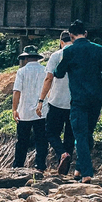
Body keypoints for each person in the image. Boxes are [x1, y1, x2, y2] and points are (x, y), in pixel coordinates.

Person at [45, 20, 102, 183]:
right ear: (86, 33)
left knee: (80, 134)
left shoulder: (70, 51)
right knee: (87, 133)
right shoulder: (98, 50)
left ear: (71, 36)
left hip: (79, 100)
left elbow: (58, 73)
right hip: (97, 98)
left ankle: (86, 173)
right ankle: (79, 169)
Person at [36, 31, 75, 175]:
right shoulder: (79, 54)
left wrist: (41, 100)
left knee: (51, 132)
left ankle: (62, 154)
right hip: (74, 103)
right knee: (70, 135)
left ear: (61, 42)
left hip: (57, 102)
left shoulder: (56, 55)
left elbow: (48, 79)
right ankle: (64, 169)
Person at [12, 45, 49, 171]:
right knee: (41, 140)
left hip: (24, 111)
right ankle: (41, 165)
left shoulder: (21, 71)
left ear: (26, 58)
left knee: (22, 140)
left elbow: (17, 91)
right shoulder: (44, 70)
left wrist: (14, 109)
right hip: (42, 111)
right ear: (37, 58)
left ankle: (18, 165)